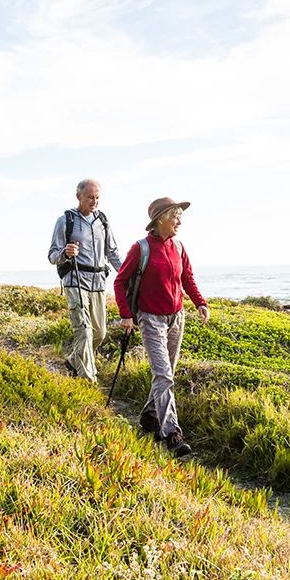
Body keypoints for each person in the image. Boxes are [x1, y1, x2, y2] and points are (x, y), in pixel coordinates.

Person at [113, 197, 210, 457]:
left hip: (177, 318)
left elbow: (187, 278)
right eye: (175, 216)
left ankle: (148, 416)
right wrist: (126, 315)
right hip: (151, 319)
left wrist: (200, 302)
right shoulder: (141, 248)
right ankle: (171, 433)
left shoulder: (179, 247)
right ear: (160, 219)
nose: (179, 221)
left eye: (180, 216)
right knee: (164, 375)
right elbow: (120, 282)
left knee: (165, 374)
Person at [48, 179, 123, 382]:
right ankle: (88, 380)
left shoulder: (103, 221)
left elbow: (112, 252)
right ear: (78, 196)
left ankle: (73, 360)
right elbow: (52, 255)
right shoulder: (65, 220)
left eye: (97, 197)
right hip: (75, 280)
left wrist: (126, 274)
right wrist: (65, 252)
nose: (94, 201)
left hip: (98, 282)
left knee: (99, 332)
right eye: (90, 197)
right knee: (84, 332)